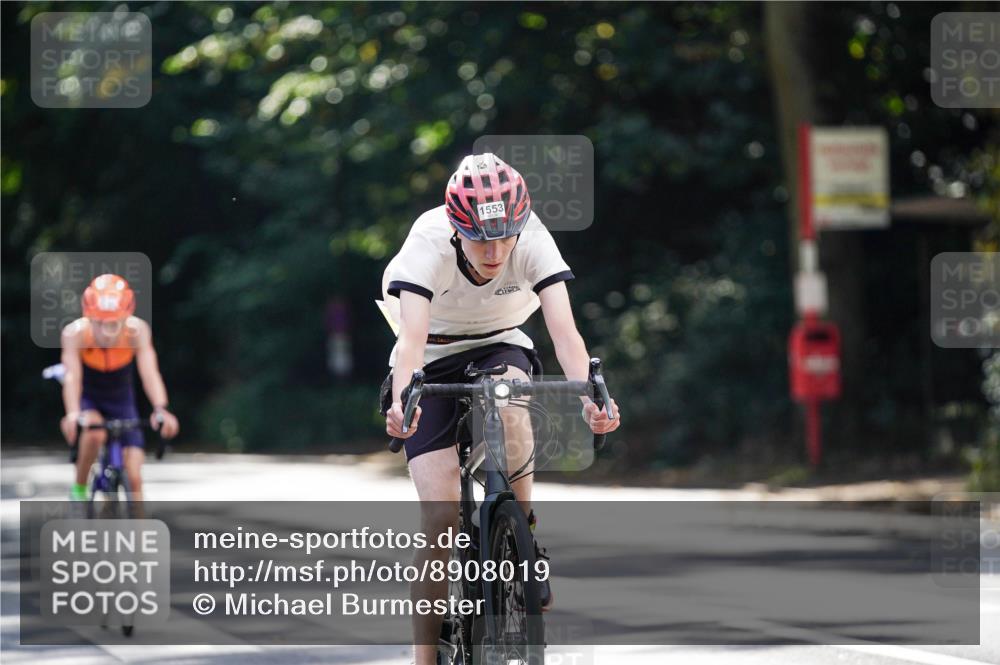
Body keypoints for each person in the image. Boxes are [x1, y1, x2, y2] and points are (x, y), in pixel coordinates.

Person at [380, 153, 621, 665]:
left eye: (504, 237)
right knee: (439, 522)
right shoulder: (427, 240)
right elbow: (412, 342)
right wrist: (405, 400)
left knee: (512, 398)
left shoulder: (531, 234)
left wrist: (591, 396)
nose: (494, 251)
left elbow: (564, 331)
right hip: (433, 357)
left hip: (499, 343)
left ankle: (524, 533)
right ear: (455, 227)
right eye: (479, 239)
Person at [59, 274, 179, 501]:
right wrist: (73, 413)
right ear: (89, 317)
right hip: (90, 397)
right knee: (94, 434)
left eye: (113, 323)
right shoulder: (74, 334)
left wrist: (161, 408)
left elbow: (150, 373)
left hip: (122, 400)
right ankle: (80, 488)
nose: (106, 332)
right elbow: (72, 377)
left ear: (126, 317)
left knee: (134, 474)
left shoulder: (138, 332)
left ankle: (141, 534)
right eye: (99, 323)